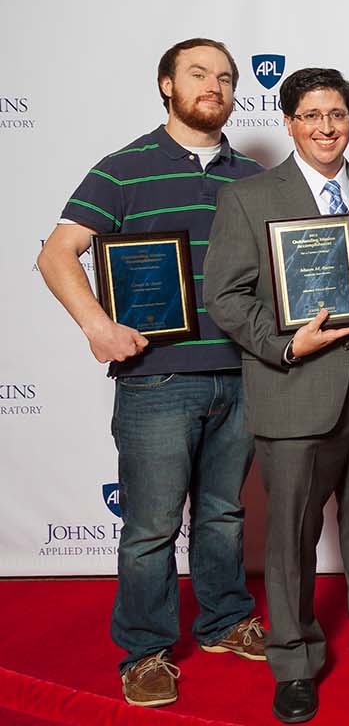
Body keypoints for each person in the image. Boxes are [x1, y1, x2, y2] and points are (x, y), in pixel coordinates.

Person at [205, 67, 349, 724]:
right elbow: (223, 296)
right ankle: (293, 657)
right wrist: (286, 345)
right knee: (290, 536)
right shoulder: (250, 200)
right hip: (296, 389)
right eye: (310, 115)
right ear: (288, 123)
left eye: (336, 113)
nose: (325, 127)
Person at [35, 37, 267, 709]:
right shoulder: (123, 168)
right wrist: (97, 326)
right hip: (157, 380)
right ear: (166, 84)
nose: (215, 86)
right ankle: (145, 651)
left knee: (223, 515)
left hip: (243, 374)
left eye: (225, 78)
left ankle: (224, 621)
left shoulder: (251, 176)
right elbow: (57, 255)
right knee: (151, 526)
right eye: (198, 74)